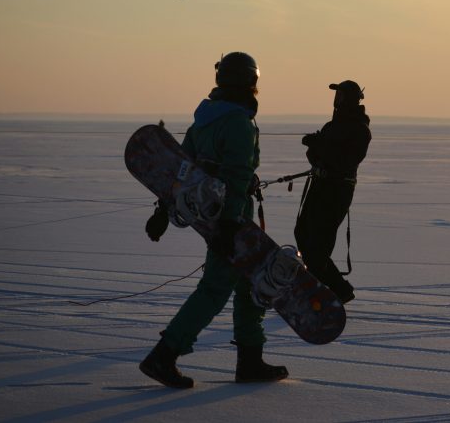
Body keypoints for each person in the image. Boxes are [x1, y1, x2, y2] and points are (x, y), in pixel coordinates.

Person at [139, 52, 288, 388]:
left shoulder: (203, 120)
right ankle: (164, 355)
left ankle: (250, 359)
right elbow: (235, 176)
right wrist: (230, 224)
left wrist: (162, 211)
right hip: (230, 220)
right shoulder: (238, 122)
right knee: (215, 289)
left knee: (250, 281)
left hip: (213, 217)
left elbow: (180, 170)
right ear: (250, 81)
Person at [294, 80, 371, 304]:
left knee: (319, 246)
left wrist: (319, 146)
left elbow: (343, 161)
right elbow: (317, 158)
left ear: (351, 99)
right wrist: (314, 146)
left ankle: (339, 290)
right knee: (302, 234)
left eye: (341, 96)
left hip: (337, 191)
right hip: (319, 186)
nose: (336, 100)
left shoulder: (360, 130)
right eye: (336, 96)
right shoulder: (331, 126)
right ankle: (321, 286)